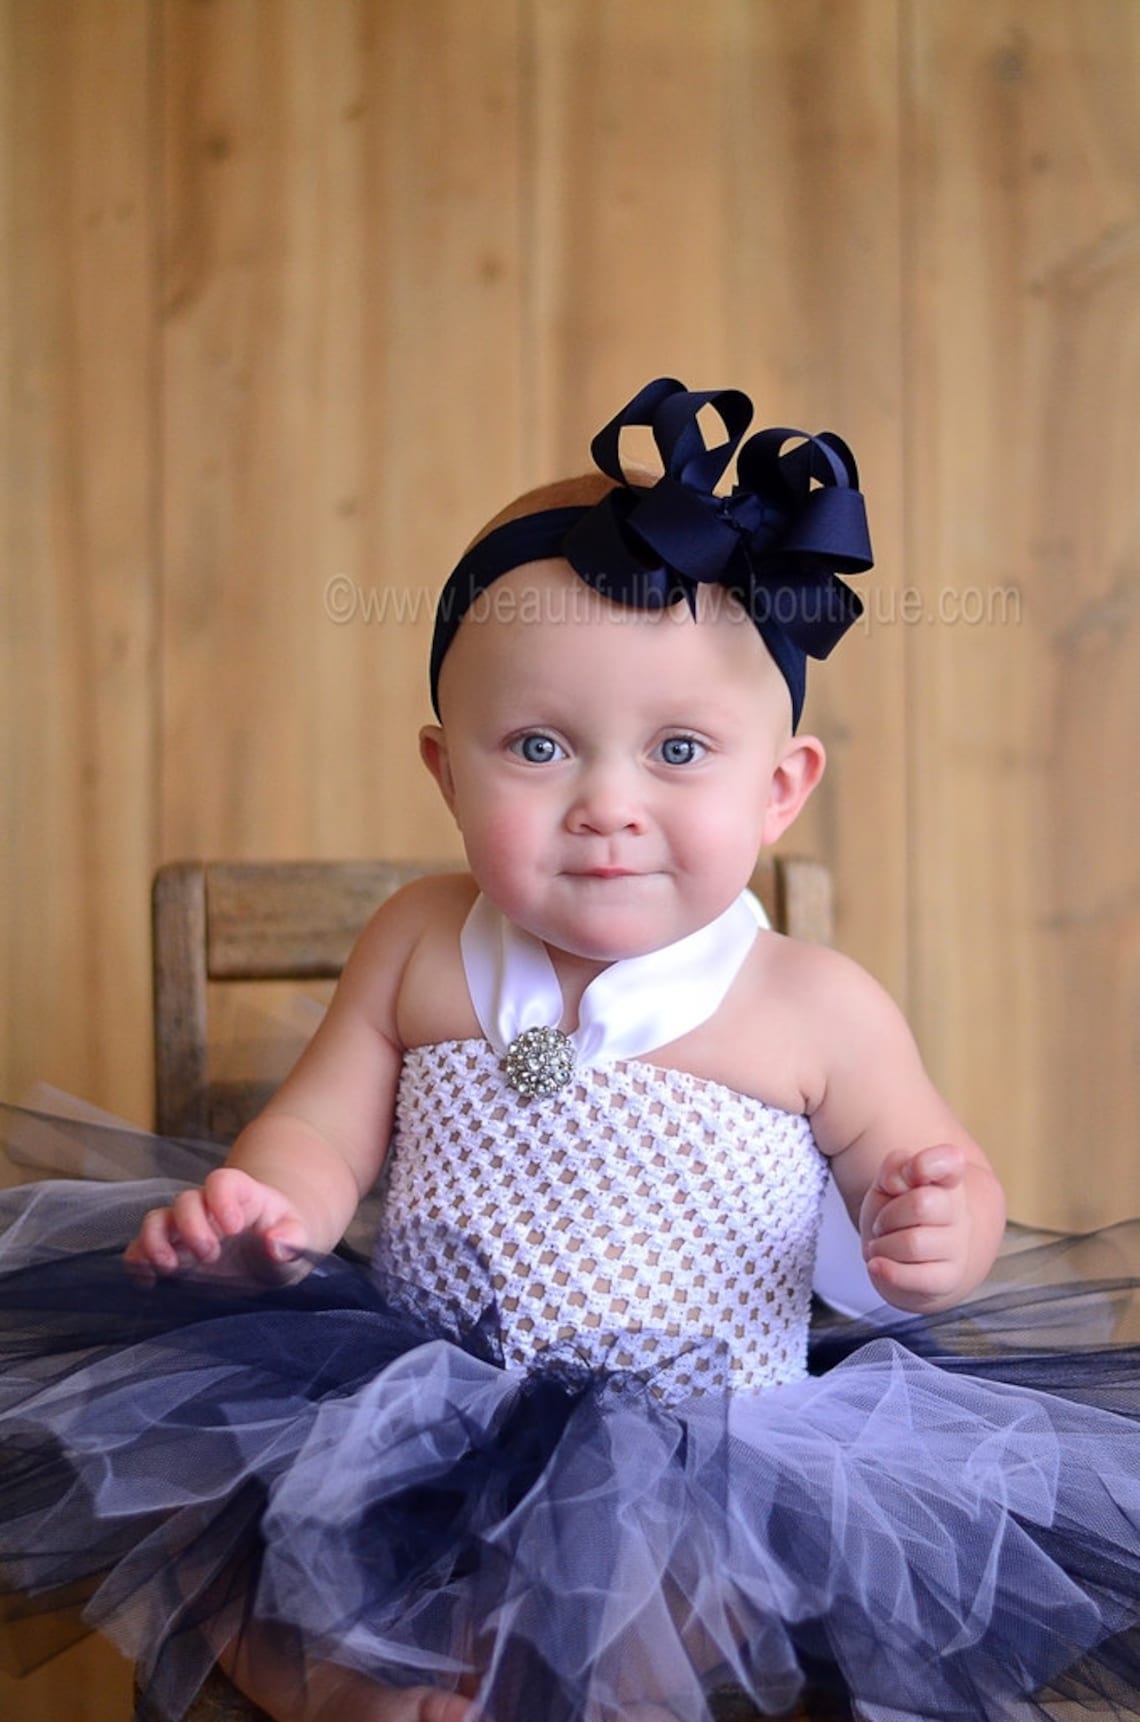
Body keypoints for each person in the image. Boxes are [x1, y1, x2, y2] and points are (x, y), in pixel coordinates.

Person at [1, 379, 1138, 1722]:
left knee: (666, 1617)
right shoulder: (420, 940)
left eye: (677, 750)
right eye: (537, 745)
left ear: (780, 786)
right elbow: (319, 1130)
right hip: (418, 1410)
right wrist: (268, 1209)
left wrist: (938, 1225)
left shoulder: (812, 1002)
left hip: (712, 1451)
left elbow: (927, 1167)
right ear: (445, 768)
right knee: (226, 1545)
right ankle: (373, 1695)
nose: (607, 804)